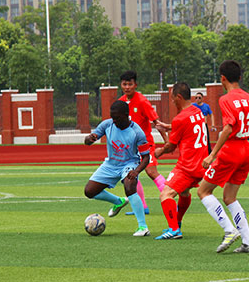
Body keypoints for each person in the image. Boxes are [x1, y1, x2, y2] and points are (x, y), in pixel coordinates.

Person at [197, 60, 249, 253]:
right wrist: (246, 147)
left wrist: (212, 155)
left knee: (203, 191)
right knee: (229, 197)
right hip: (244, 151)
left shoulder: (225, 99)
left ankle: (229, 230)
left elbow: (227, 128)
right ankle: (248, 243)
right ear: (240, 77)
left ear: (222, 78)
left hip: (230, 150)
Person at [84, 100, 152, 237]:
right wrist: (89, 139)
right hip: (110, 164)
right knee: (89, 191)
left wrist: (136, 171)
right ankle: (118, 201)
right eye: (112, 117)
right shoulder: (107, 124)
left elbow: (146, 157)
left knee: (129, 185)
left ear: (126, 115)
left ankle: (143, 227)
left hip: (129, 164)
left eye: (117, 118)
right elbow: (87, 142)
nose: (114, 121)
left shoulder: (137, 132)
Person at [154, 82, 209, 240]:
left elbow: (171, 146)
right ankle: (177, 222)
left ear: (179, 97)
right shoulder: (197, 111)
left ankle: (174, 230)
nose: (172, 102)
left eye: (173, 99)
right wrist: (169, 126)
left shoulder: (180, 118)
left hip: (187, 166)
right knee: (184, 193)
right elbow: (187, 124)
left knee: (166, 194)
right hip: (201, 163)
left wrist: (159, 152)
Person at [119, 70, 170, 215]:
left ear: (136, 85)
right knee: (131, 175)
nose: (127, 87)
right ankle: (142, 207)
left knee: (151, 172)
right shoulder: (121, 102)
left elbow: (156, 123)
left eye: (130, 84)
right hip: (130, 147)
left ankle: (170, 199)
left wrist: (167, 141)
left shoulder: (142, 101)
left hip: (145, 144)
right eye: (124, 84)